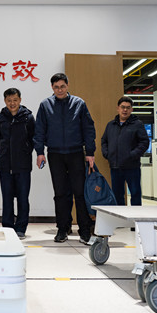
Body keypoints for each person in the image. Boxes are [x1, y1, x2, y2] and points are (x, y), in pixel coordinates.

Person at [34, 73, 95, 245]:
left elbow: (88, 128)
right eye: (56, 87)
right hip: (55, 154)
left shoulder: (79, 103)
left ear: (67, 85)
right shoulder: (45, 105)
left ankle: (84, 230)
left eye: (62, 86)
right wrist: (39, 152)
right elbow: (39, 130)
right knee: (60, 193)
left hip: (76, 153)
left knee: (80, 193)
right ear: (52, 88)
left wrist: (90, 152)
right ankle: (62, 228)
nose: (59, 90)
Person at [0, 88, 35, 239]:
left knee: (23, 198)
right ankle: (8, 227)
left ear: (20, 100)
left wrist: (26, 150)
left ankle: (21, 228)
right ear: (5, 101)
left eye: (15, 100)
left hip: (23, 165)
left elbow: (33, 138)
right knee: (7, 198)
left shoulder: (28, 117)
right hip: (4, 164)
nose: (12, 103)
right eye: (9, 100)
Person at [101, 96, 149, 207]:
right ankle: (120, 217)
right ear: (118, 108)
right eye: (123, 107)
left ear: (132, 109)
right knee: (117, 195)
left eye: (128, 107)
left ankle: (136, 217)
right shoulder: (110, 125)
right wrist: (107, 154)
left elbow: (144, 142)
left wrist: (132, 155)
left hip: (132, 166)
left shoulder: (137, 124)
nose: (125, 110)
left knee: (135, 194)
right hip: (115, 166)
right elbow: (104, 141)